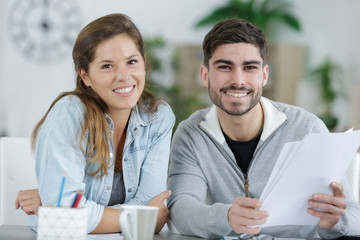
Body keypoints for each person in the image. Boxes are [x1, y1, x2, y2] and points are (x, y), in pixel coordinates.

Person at [167, 18, 360, 239]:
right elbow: (180, 208)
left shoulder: (308, 128)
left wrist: (336, 221)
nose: (238, 80)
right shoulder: (192, 135)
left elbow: (355, 215)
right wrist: (226, 216)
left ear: (264, 75)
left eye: (250, 67)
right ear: (205, 75)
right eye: (224, 67)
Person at [15, 13, 175, 233]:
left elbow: (152, 201)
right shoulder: (70, 115)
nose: (124, 76)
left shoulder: (158, 117)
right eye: (107, 66)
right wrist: (141, 219)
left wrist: (72, 211)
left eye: (132, 62)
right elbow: (149, 217)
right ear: (85, 76)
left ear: (144, 64)